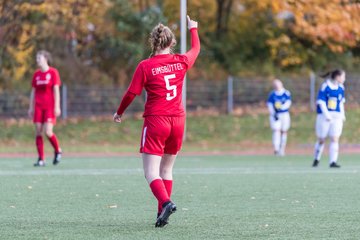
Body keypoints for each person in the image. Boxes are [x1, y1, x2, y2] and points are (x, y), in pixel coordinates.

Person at [113, 16, 200, 227]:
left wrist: (119, 112)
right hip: (178, 121)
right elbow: (196, 49)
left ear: (153, 43)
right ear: (171, 43)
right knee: (166, 170)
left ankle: (166, 203)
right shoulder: (180, 61)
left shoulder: (146, 66)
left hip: (156, 121)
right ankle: (161, 215)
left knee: (151, 172)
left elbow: (131, 93)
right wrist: (193, 29)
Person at [28, 50, 62, 167]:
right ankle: (41, 159)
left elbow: (56, 90)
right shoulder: (36, 74)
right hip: (38, 106)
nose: (37, 60)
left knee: (48, 131)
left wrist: (57, 106)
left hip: (49, 107)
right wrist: (30, 107)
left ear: (46, 59)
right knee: (38, 131)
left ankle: (58, 150)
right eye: (37, 58)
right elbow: (33, 92)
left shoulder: (53, 72)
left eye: (39, 58)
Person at [312, 69, 346, 168]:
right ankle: (316, 159)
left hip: (336, 117)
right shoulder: (325, 86)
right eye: (343, 76)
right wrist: (327, 116)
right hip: (324, 116)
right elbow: (321, 102)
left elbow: (341, 103)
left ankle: (333, 162)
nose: (344, 79)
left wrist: (342, 115)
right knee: (321, 139)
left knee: (335, 138)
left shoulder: (341, 88)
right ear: (337, 77)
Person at [267, 79, 292, 156]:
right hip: (275, 115)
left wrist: (281, 108)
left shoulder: (286, 93)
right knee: (276, 131)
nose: (277, 86)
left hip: (284, 114)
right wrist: (274, 113)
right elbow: (270, 105)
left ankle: (282, 149)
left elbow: (288, 103)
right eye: (275, 85)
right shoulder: (272, 94)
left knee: (284, 131)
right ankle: (276, 148)